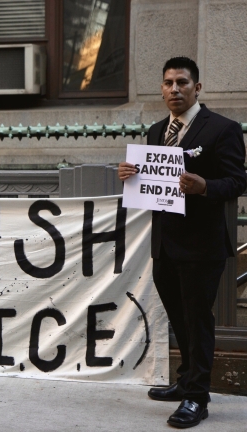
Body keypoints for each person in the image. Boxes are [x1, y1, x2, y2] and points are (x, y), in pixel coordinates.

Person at [119, 57, 246, 428]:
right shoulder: (157, 130)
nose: (175, 89)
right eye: (169, 83)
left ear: (197, 88)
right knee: (178, 318)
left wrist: (204, 186)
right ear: (161, 88)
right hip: (166, 244)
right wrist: (129, 176)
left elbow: (238, 181)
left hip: (202, 246)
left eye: (182, 82)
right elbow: (150, 187)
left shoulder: (222, 129)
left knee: (197, 320)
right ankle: (185, 380)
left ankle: (197, 397)